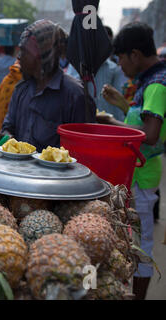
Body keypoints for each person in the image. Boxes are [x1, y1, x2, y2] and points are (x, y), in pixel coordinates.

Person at [97, 22, 166, 300]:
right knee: (133, 241)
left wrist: (111, 120)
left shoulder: (157, 85)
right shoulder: (149, 81)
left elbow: (149, 135)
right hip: (137, 174)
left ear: (135, 54)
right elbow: (144, 118)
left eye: (121, 58)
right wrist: (125, 107)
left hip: (143, 177)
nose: (120, 65)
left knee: (141, 247)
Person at [0, 20, 96, 151]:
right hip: (17, 170)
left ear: (41, 56)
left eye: (24, 51)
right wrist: (7, 137)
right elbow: (8, 126)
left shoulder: (75, 96)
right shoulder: (21, 89)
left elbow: (84, 148)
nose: (19, 57)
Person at [67, 27, 128, 122]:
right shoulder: (75, 66)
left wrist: (118, 123)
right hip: (82, 121)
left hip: (106, 123)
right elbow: (71, 91)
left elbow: (117, 101)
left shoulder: (113, 68)